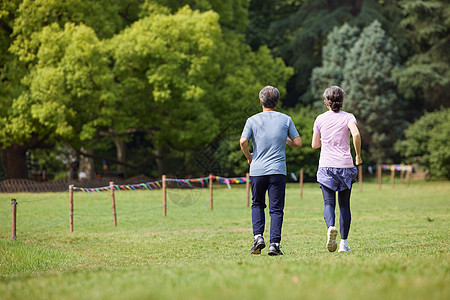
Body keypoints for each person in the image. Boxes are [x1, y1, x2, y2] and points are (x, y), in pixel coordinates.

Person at [240, 86, 303, 256]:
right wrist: (287, 140)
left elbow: (243, 141)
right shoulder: (286, 119)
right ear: (277, 102)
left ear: (261, 102)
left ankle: (258, 237)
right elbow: (298, 143)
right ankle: (274, 244)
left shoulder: (252, 120)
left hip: (257, 170)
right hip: (278, 170)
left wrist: (249, 157)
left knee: (257, 204)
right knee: (276, 209)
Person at [311, 86, 362, 253]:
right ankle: (343, 243)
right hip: (345, 165)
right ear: (342, 101)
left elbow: (314, 145)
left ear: (326, 102)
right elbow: (355, 134)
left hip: (326, 166)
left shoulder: (319, 119)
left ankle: (330, 227)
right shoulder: (349, 117)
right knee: (345, 206)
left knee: (328, 203)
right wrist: (358, 156)